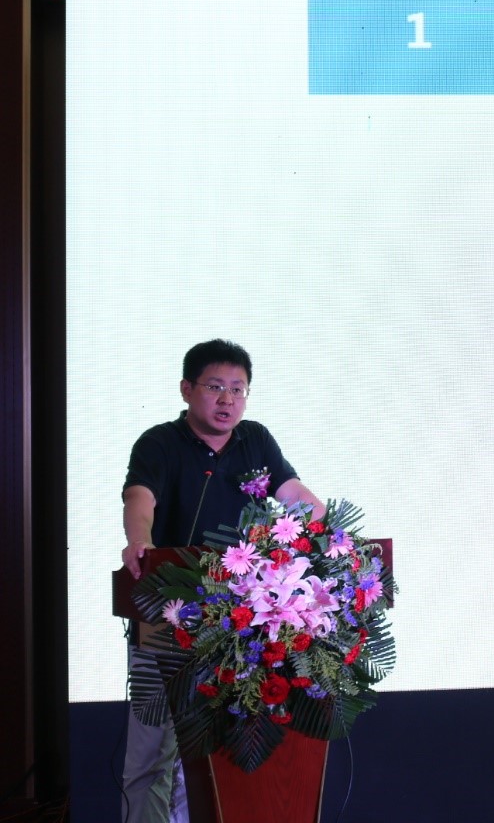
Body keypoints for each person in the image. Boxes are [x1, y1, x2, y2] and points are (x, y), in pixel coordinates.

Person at [118, 339, 325, 823]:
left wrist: (330, 532)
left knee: (209, 756)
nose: (227, 399)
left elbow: (295, 495)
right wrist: (139, 541)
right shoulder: (159, 443)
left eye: (238, 389)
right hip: (166, 613)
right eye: (215, 387)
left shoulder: (255, 440)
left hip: (236, 623)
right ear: (187, 389)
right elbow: (140, 498)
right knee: (152, 755)